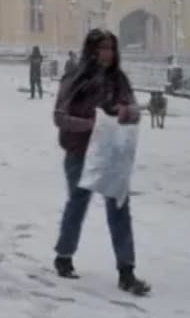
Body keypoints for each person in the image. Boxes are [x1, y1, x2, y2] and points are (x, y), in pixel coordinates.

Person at [52, 29, 150, 296]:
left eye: (110, 48)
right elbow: (59, 116)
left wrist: (124, 112)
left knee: (119, 207)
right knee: (77, 203)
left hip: (110, 155)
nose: (107, 54)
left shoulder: (118, 80)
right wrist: (91, 125)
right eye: (102, 48)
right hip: (80, 153)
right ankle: (64, 254)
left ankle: (126, 270)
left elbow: (135, 112)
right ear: (91, 50)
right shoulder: (76, 79)